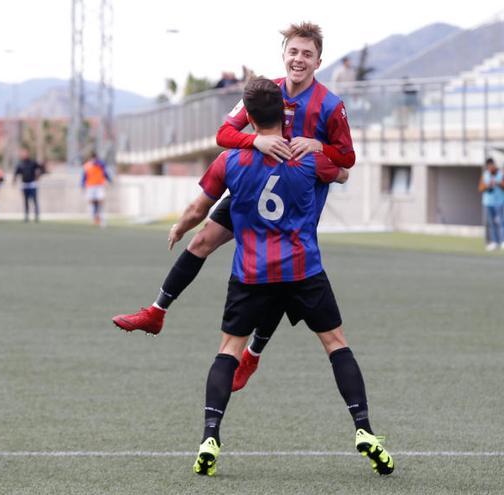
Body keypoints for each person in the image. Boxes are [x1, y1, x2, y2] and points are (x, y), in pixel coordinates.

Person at [113, 21, 355, 392]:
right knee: (200, 242)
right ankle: (156, 312)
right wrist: (254, 143)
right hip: (253, 184)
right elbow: (224, 134)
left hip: (294, 199)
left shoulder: (330, 106)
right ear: (284, 55)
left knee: (277, 271)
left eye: (307, 54)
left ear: (318, 61)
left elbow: (347, 159)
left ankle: (253, 354)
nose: (299, 59)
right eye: (294, 52)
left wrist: (319, 146)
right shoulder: (265, 93)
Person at [180, 77, 393, 477]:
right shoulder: (309, 159)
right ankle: (364, 429)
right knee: (335, 344)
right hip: (303, 269)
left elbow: (199, 211)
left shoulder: (229, 161)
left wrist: (180, 227)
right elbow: (344, 171)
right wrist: (318, 148)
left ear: (248, 117)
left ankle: (210, 435)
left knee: (229, 350)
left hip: (252, 273)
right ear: (285, 113)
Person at [13, 147, 45, 222]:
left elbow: (41, 169)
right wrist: (14, 181)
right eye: (23, 153)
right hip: (24, 184)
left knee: (34, 200)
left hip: (32, 184)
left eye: (25, 153)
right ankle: (26, 215)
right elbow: (16, 173)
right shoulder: (20, 164)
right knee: (26, 200)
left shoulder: (33, 162)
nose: (24, 155)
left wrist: (39, 176)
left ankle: (36, 215)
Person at [81, 151, 113, 227]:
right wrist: (82, 184)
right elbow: (84, 176)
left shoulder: (100, 164)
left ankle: (101, 219)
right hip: (90, 186)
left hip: (99, 185)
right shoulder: (87, 166)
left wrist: (109, 180)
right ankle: (93, 218)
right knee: (91, 202)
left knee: (101, 202)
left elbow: (105, 172)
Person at [479, 157, 504, 250]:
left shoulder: (501, 174)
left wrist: (497, 183)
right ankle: (494, 242)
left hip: (500, 202)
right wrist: (487, 185)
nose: (490, 168)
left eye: (491, 165)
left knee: (501, 222)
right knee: (491, 223)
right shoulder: (485, 175)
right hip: (488, 202)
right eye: (488, 166)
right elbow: (480, 188)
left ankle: (502, 241)